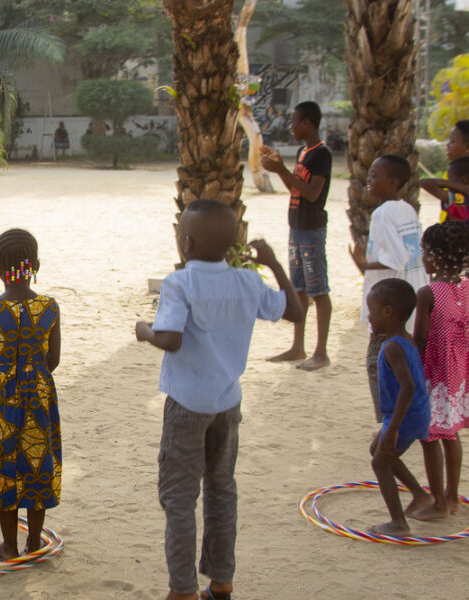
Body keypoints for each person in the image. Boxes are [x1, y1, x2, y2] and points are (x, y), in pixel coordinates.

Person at [135, 199, 303, 600]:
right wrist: (275, 263)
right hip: (227, 404)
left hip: (187, 405)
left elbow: (171, 339)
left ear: (186, 243)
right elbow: (295, 312)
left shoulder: (180, 283)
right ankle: (221, 581)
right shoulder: (247, 281)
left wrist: (145, 331)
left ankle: (182, 590)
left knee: (179, 498)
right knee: (221, 488)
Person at [0, 229, 61, 561]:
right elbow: (54, 360)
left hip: (0, 401)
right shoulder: (50, 307)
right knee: (35, 466)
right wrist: (31, 377)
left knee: (4, 469)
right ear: (35, 265)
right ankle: (34, 543)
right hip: (38, 399)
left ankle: (9, 546)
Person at [350, 155, 428, 423]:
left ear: (393, 181)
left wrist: (363, 263)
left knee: (378, 361)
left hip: (390, 305)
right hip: (411, 297)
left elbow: (395, 259)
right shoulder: (407, 208)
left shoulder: (382, 214)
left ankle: (388, 422)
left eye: (374, 175)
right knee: (406, 365)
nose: (368, 181)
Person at [260, 100, 333, 371]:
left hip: (312, 230)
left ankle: (321, 352)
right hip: (297, 227)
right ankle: (298, 347)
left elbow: (312, 193)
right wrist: (279, 168)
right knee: (299, 287)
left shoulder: (320, 154)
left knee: (318, 290)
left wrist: (281, 170)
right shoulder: (304, 151)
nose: (290, 127)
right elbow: (296, 188)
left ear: (307, 123)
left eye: (294, 122)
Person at [409, 221, 469, 520]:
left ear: (435, 256)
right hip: (457, 376)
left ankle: (439, 505)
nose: (422, 256)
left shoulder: (428, 293)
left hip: (433, 376)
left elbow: (419, 339)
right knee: (450, 435)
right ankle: (452, 498)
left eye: (423, 251)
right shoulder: (467, 285)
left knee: (430, 436)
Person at [364, 278, 431, 536]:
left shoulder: (392, 347)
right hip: (412, 414)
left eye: (371, 310)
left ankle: (398, 523)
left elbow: (408, 387)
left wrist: (391, 429)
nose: (368, 316)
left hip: (405, 417)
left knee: (380, 464)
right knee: (377, 449)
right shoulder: (404, 339)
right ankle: (419, 494)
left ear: (388, 312)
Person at [420, 120, 469, 223]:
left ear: (467, 147)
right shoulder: (452, 171)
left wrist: (446, 183)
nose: (447, 145)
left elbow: (426, 183)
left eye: (452, 141)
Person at [420, 155, 469, 224]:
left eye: (449, 179)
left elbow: (425, 183)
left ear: (462, 180)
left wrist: (463, 188)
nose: (447, 182)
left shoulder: (459, 200)